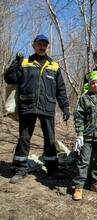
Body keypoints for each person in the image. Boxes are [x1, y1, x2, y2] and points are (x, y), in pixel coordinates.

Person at [4, 34, 70, 184]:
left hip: (47, 106)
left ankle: (52, 168)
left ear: (48, 47)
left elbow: (61, 89)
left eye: (44, 45)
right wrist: (16, 62)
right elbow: (10, 78)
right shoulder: (25, 63)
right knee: (24, 138)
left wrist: (65, 107)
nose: (42, 47)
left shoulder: (54, 66)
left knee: (50, 138)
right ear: (34, 46)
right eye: (39, 44)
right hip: (27, 105)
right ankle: (20, 168)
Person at [72, 70, 97, 200]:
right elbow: (79, 117)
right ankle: (78, 186)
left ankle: (95, 184)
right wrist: (79, 134)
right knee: (83, 161)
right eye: (93, 83)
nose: (95, 85)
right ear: (89, 84)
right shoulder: (84, 98)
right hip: (87, 136)